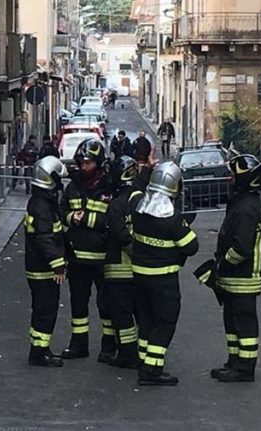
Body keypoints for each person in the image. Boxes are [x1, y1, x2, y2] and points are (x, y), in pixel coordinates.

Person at [132, 161, 199, 386]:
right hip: (164, 281)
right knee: (165, 321)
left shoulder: (139, 210)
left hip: (139, 277)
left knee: (146, 320)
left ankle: (143, 361)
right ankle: (152, 369)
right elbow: (191, 246)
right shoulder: (172, 219)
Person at [210, 154, 261, 383]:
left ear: (245, 180)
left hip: (242, 278)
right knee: (232, 322)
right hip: (235, 279)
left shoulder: (247, 209)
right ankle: (234, 362)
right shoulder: (242, 203)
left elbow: (241, 248)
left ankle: (245, 368)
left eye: (233, 175)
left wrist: (222, 266)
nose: (229, 178)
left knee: (243, 323)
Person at [60, 138, 116, 362]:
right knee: (78, 304)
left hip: (103, 259)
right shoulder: (73, 186)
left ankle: (108, 346)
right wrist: (71, 217)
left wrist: (87, 220)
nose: (84, 167)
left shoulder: (109, 188)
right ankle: (78, 345)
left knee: (106, 305)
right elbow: (61, 210)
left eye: (88, 163)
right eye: (81, 163)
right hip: (77, 259)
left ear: (99, 163)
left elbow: (113, 219)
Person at [24, 156, 69, 367]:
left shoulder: (40, 202)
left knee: (41, 310)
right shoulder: (42, 206)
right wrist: (58, 264)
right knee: (46, 310)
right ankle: (40, 352)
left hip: (38, 267)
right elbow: (45, 238)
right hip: (43, 269)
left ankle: (39, 348)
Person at [104, 156, 144, 369]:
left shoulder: (116, 205)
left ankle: (127, 355)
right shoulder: (144, 201)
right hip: (143, 270)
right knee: (142, 312)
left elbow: (119, 236)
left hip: (118, 269)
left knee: (122, 314)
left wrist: (134, 251)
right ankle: (145, 354)